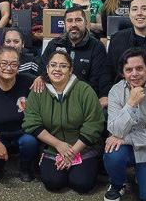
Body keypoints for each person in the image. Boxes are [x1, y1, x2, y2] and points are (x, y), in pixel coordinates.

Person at [23, 48, 106, 193]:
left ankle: (91, 165)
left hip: (82, 148)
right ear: (47, 69)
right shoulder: (38, 91)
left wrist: (72, 152)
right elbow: (31, 122)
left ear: (71, 69)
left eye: (63, 66)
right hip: (52, 148)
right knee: (53, 183)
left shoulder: (84, 90)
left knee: (82, 184)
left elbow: (94, 124)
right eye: (53, 65)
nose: (57, 69)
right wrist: (59, 145)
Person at [103, 48, 146, 201]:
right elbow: (115, 130)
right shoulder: (115, 91)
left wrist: (125, 139)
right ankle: (117, 183)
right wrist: (130, 104)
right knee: (112, 153)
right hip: (124, 149)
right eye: (129, 70)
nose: (134, 74)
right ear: (123, 73)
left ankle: (142, 175)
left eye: (139, 68)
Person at [0, 45, 40, 180]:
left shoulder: (28, 81)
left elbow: (47, 77)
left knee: (30, 142)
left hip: (22, 133)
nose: (9, 67)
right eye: (4, 63)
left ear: (18, 66)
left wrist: (41, 78)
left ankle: (25, 168)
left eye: (14, 64)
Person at [40, 6, 114, 105]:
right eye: (69, 21)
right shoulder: (54, 44)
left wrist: (104, 96)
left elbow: (101, 79)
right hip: (54, 99)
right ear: (64, 24)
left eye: (78, 20)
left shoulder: (97, 47)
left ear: (86, 23)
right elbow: (42, 71)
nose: (74, 24)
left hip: (84, 99)